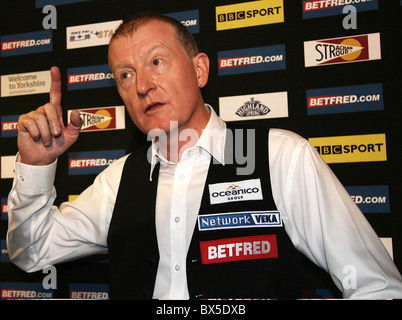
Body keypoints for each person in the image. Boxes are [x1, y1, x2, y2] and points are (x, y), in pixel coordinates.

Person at [7, 13, 402, 300]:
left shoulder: (280, 156)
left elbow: (377, 286)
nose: (142, 85)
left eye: (156, 62)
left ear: (199, 70)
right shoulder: (120, 179)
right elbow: (32, 251)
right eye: (125, 75)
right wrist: (37, 167)